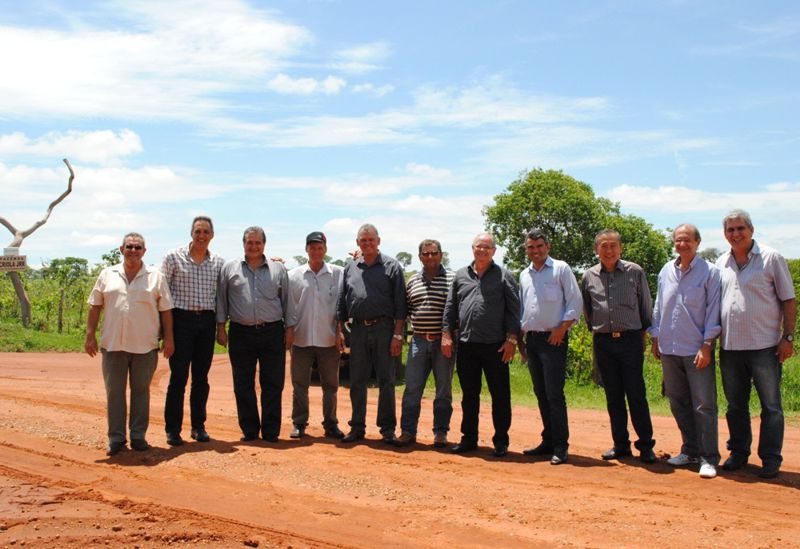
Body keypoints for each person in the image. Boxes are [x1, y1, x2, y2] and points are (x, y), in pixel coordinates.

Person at [716, 209, 796, 479]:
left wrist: (788, 337)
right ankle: (738, 453)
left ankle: (771, 459)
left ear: (751, 230)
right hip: (729, 347)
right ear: (725, 234)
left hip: (765, 346)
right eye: (730, 230)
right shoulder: (720, 263)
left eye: (740, 228)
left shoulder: (771, 258)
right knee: (735, 406)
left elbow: (788, 299)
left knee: (771, 406)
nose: (736, 234)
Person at [85, 233, 174, 456]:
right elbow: (95, 305)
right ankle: (116, 438)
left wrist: (169, 338)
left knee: (141, 392)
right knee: (114, 392)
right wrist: (90, 335)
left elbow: (166, 310)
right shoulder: (108, 274)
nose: (133, 250)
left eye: (138, 247)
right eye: (129, 246)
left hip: (145, 345)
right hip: (113, 344)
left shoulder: (155, 276)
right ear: (121, 249)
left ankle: (137, 436)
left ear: (145, 251)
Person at [650, 224, 721, 479]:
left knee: (704, 405)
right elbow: (659, 305)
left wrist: (707, 344)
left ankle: (708, 457)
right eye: (678, 240)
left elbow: (714, 310)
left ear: (698, 242)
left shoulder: (709, 272)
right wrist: (655, 336)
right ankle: (689, 450)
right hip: (669, 347)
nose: (682, 244)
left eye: (687, 240)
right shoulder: (666, 270)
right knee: (678, 402)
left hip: (696, 348)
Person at [580, 229, 656, 463]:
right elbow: (588, 310)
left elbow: (646, 307)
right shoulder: (589, 276)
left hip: (631, 340)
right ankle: (620, 444)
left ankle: (645, 446)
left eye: (613, 245)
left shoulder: (635, 272)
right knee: (613, 396)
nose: (609, 250)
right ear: (596, 249)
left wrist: (643, 335)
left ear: (620, 248)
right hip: (603, 342)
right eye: (604, 246)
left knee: (636, 394)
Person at [442, 233, 520, 457]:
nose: (482, 250)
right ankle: (469, 438)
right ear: (472, 249)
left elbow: (515, 311)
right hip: (466, 345)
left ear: (494, 251)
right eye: (479, 246)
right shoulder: (460, 276)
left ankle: (501, 441)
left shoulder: (504, 276)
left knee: (500, 394)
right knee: (469, 395)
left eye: (487, 247)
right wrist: (446, 334)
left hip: (496, 346)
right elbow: (451, 308)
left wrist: (512, 340)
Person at [216, 226, 290, 442]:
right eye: (250, 242)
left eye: (258, 242)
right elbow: (221, 299)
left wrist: (290, 329)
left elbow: (287, 302)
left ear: (264, 245)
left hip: (272, 331)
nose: (254, 246)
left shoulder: (278, 270)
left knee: (273, 383)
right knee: (242, 383)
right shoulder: (230, 269)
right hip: (241, 332)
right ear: (243, 244)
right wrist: (221, 327)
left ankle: (270, 431)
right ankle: (249, 429)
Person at [336, 224, 406, 444]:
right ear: (357, 243)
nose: (367, 243)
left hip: (384, 328)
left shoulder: (391, 266)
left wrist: (397, 335)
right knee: (357, 379)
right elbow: (342, 301)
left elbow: (400, 305)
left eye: (371, 240)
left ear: (378, 241)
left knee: (386, 379)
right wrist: (339, 330)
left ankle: (387, 429)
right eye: (363, 240)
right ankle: (357, 427)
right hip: (357, 328)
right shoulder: (350, 267)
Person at [518, 229, 582, 465]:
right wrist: (521, 338)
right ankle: (548, 440)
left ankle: (560, 446)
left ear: (548, 246)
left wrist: (562, 329)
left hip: (554, 339)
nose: (535, 251)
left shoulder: (561, 269)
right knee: (540, 392)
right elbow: (524, 307)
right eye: (531, 247)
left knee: (555, 393)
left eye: (539, 246)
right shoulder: (524, 274)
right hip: (532, 340)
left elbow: (575, 301)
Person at [161, 216, 225, 446]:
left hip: (205, 322)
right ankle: (173, 430)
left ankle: (198, 427)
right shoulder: (173, 257)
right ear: (191, 233)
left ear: (212, 235)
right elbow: (163, 295)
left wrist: (220, 327)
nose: (201, 236)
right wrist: (165, 332)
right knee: (178, 377)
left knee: (201, 378)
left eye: (206, 232)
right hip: (180, 321)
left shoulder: (218, 262)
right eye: (198, 231)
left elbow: (220, 298)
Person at [395, 239, 456, 448]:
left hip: (443, 343)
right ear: (420, 256)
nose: (430, 257)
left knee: (443, 390)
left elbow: (455, 313)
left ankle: (440, 433)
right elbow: (406, 311)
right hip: (418, 341)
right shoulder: (412, 281)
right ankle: (407, 432)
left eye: (434, 253)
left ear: (441, 254)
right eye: (426, 254)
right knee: (412, 388)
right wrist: (399, 336)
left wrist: (449, 336)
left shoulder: (452, 279)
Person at [285, 231, 345, 440]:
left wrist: (340, 331)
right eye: (312, 247)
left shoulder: (339, 273)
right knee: (299, 384)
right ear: (306, 249)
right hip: (301, 339)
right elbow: (290, 307)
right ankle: (299, 423)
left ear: (325, 249)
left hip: (329, 339)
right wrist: (290, 331)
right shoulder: (294, 275)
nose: (316, 251)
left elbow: (342, 306)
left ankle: (330, 424)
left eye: (320, 247)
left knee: (331, 385)